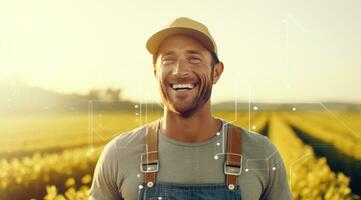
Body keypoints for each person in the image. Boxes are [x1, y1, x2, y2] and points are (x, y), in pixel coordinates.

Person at [89, 17, 292, 200]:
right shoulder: (118, 154)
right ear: (155, 72)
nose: (180, 71)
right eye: (168, 60)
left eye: (194, 58)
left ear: (216, 72)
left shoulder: (262, 153)